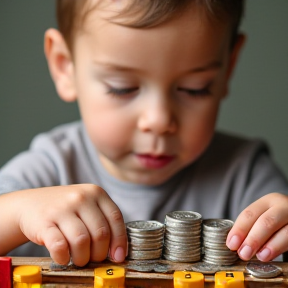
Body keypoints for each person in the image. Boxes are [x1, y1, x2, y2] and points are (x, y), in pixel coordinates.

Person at [0, 0, 288, 267]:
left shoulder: (247, 174)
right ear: (65, 66)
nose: (159, 120)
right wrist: (16, 215)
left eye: (194, 88)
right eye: (122, 87)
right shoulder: (45, 172)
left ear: (229, 67)